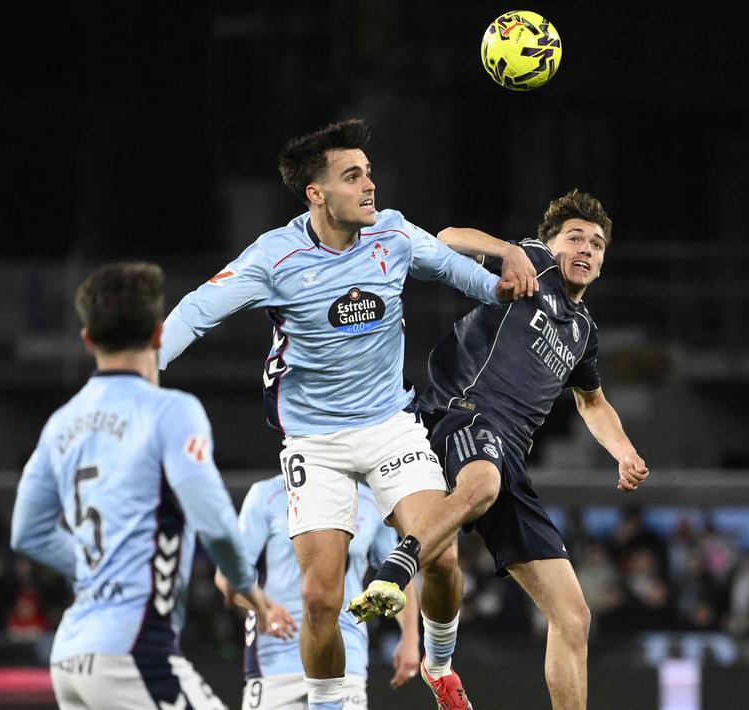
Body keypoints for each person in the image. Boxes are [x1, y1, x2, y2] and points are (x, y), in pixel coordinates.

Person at [160, 118, 535, 710]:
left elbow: (460, 271)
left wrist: (501, 285)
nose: (369, 186)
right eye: (352, 176)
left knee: (440, 556)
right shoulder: (273, 258)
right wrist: (139, 365)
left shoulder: (393, 235)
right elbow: (196, 310)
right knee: (320, 599)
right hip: (315, 442)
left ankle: (441, 665)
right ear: (317, 193)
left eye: (369, 173)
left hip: (390, 424)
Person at [350, 190, 650, 710]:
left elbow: (593, 403)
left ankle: (438, 657)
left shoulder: (583, 333)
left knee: (573, 616)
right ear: (550, 243)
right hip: (459, 414)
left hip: (508, 456)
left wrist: (623, 451)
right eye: (574, 237)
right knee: (478, 488)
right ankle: (396, 570)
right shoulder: (533, 264)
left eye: (596, 243)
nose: (585, 249)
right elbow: (446, 241)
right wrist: (507, 250)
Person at [10, 262, 286, 710]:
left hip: (71, 655)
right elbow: (214, 519)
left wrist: (97, 574)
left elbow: (28, 532)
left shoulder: (60, 424)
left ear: (87, 340)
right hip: (132, 649)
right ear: (159, 335)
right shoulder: (171, 412)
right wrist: (247, 587)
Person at [217, 475, 419, 709]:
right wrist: (264, 608)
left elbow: (398, 577)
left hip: (345, 660)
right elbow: (226, 576)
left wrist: (410, 638)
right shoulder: (267, 496)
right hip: (276, 661)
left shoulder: (370, 503)